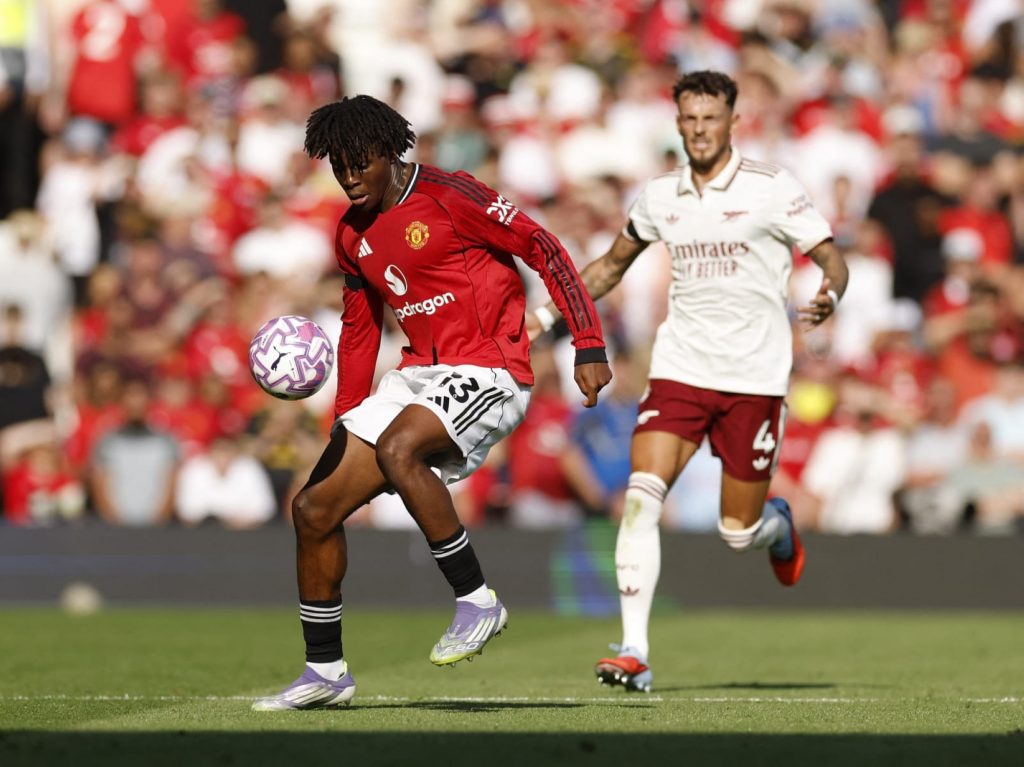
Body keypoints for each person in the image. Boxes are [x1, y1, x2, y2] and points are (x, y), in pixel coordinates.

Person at [253, 95, 611, 711]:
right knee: (313, 509)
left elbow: (544, 247)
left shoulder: (452, 196)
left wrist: (588, 342)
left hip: (491, 367)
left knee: (400, 449)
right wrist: (345, 416)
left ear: (390, 153)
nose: (349, 177)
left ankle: (477, 601)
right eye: (338, 167)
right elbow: (360, 327)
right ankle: (326, 672)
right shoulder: (351, 233)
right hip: (417, 375)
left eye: (359, 163)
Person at [526, 71, 849, 693]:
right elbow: (611, 266)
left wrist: (831, 291)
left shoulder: (772, 187)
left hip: (754, 375)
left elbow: (831, 258)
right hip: (681, 370)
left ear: (733, 121)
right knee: (641, 497)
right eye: (691, 119)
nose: (700, 130)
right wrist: (543, 317)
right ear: (679, 124)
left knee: (738, 532)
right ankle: (635, 652)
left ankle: (776, 526)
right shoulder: (659, 197)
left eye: (711, 118)